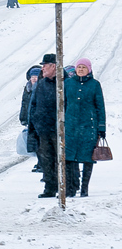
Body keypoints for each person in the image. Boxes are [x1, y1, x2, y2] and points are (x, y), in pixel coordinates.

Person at [64, 57, 106, 197]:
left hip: (89, 126)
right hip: (70, 126)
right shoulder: (68, 84)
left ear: (89, 69)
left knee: (87, 157)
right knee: (69, 157)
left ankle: (84, 188)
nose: (81, 69)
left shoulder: (94, 85)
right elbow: (63, 104)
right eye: (79, 67)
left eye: (84, 67)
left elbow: (100, 107)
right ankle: (70, 188)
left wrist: (101, 127)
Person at [29, 55, 61, 198]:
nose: (42, 68)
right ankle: (50, 188)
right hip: (43, 129)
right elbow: (33, 104)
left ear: (53, 66)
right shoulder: (41, 84)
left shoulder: (63, 83)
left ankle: (65, 188)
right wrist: (35, 123)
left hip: (58, 129)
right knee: (46, 160)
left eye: (45, 65)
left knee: (61, 160)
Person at [21, 66, 42, 170]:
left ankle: (42, 164)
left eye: (36, 77)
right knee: (34, 144)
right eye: (32, 77)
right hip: (31, 120)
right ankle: (40, 162)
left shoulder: (41, 88)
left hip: (39, 120)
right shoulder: (28, 88)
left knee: (41, 144)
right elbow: (24, 103)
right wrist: (23, 117)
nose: (34, 79)